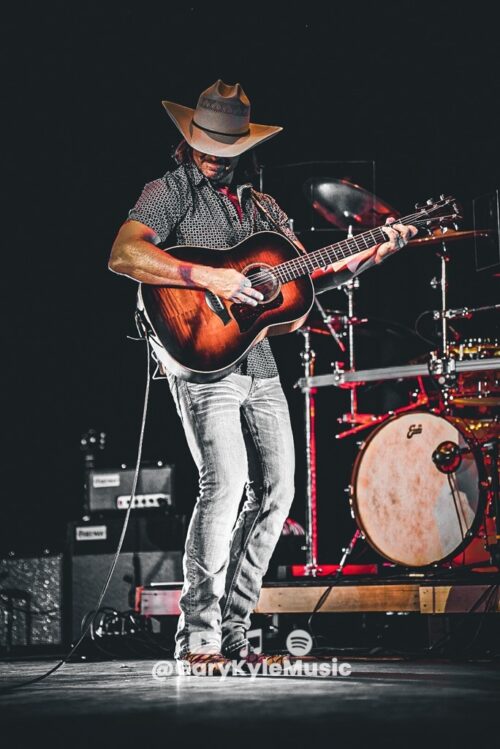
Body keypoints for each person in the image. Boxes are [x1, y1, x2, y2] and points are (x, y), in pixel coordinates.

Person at [109, 80, 416, 674]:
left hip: (258, 360)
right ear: (189, 140)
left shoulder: (266, 210)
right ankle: (197, 636)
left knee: (278, 492)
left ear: (244, 147)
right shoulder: (169, 192)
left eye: (225, 148)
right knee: (224, 486)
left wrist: (367, 255)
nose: (213, 157)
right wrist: (210, 278)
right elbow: (124, 255)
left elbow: (303, 279)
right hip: (201, 359)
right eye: (205, 145)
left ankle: (234, 632)